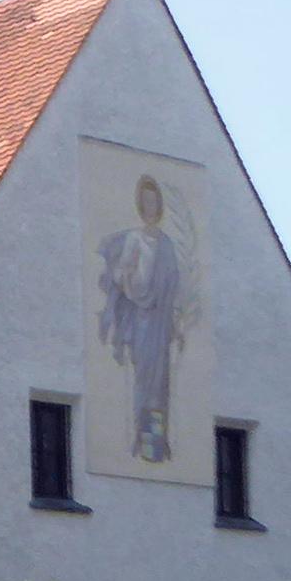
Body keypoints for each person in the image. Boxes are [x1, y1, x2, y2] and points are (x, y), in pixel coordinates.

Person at [97, 174, 186, 464]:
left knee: (160, 382)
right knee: (143, 379)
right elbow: (122, 274)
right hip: (142, 320)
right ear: (140, 204)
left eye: (154, 201)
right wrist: (133, 285)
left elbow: (174, 285)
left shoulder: (167, 244)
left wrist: (175, 317)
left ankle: (158, 441)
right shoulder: (135, 239)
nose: (150, 207)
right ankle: (140, 435)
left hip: (160, 322)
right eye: (145, 202)